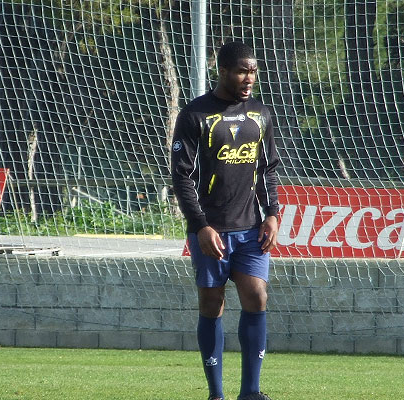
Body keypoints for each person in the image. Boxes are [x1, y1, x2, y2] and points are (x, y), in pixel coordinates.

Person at [171, 41, 279, 400]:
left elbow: (267, 170)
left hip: (250, 227)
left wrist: (273, 214)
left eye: (253, 71)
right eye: (241, 71)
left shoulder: (261, 114)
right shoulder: (195, 115)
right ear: (223, 71)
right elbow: (181, 176)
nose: (249, 78)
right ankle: (216, 394)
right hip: (210, 230)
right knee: (211, 303)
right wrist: (200, 225)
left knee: (256, 295)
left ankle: (251, 392)